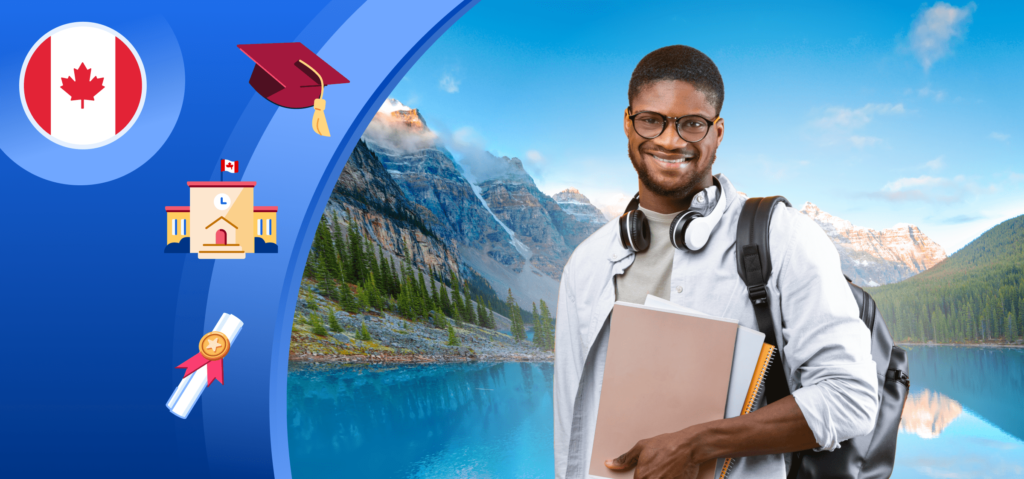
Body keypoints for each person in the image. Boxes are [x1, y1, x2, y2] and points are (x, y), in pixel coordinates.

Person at [553, 45, 879, 479]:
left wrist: (700, 443)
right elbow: (571, 432)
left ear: (718, 132)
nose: (670, 140)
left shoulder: (784, 237)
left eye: (692, 124)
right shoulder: (587, 263)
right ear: (628, 123)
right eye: (652, 120)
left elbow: (851, 397)